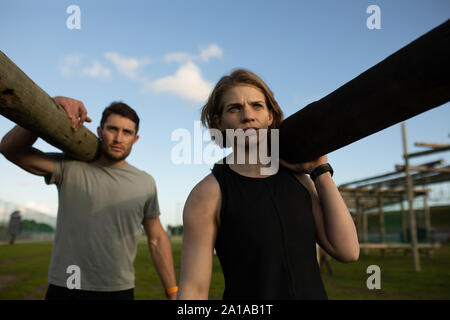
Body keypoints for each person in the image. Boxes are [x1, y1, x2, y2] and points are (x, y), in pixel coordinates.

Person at [177, 69, 360, 300]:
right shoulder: (208, 193)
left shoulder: (300, 181)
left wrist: (320, 171)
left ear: (270, 116)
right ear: (219, 122)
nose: (248, 116)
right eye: (235, 108)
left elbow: (347, 250)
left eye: (257, 106)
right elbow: (193, 290)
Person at [0, 97, 178, 300]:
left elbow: (156, 238)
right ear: (100, 131)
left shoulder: (145, 183)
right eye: (112, 129)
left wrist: (172, 291)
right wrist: (50, 105)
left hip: (118, 290)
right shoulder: (69, 166)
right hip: (66, 285)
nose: (118, 138)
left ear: (135, 138)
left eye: (126, 132)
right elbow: (10, 149)